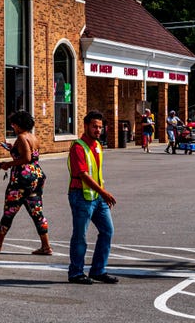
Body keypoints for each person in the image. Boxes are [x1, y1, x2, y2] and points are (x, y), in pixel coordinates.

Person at [0, 111, 52, 256]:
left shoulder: (21, 137)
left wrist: (7, 164)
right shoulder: (33, 137)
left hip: (21, 179)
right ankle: (46, 246)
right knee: (37, 212)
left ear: (19, 125)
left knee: (9, 211)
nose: (12, 127)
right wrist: (12, 148)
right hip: (37, 177)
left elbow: (25, 158)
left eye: (13, 124)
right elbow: (31, 156)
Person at [68, 110, 119, 284]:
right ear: (86, 126)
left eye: (100, 127)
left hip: (97, 196)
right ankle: (76, 272)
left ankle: (98, 270)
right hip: (81, 195)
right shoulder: (78, 147)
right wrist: (104, 192)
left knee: (107, 231)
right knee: (80, 235)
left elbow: (96, 173)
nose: (98, 130)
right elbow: (83, 174)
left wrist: (102, 193)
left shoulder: (98, 146)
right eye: (95, 127)